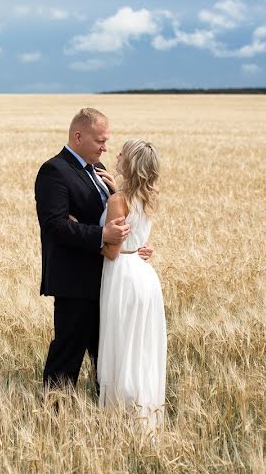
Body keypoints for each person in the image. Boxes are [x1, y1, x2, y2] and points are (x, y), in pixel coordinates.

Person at [34, 108, 152, 391]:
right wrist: (102, 235)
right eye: (100, 140)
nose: (105, 147)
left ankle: (107, 414)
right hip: (75, 281)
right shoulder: (54, 171)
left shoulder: (99, 173)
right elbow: (55, 226)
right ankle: (53, 416)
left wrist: (132, 249)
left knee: (107, 354)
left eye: (107, 140)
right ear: (78, 136)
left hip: (109, 279)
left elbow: (118, 217)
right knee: (68, 352)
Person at [95, 139, 166, 431]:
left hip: (121, 275)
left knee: (121, 346)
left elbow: (111, 250)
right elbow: (136, 237)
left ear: (130, 163)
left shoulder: (117, 201)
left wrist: (83, 233)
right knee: (141, 348)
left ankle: (119, 419)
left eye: (123, 152)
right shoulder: (145, 198)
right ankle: (144, 416)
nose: (117, 154)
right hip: (145, 277)